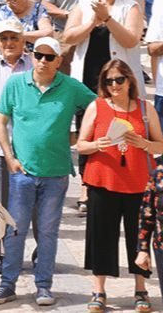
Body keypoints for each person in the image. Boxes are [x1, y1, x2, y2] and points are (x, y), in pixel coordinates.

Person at [0, 37, 97, 306]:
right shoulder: (15, 83)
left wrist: (78, 136)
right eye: (39, 55)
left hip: (56, 173)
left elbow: (97, 108)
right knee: (15, 229)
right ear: (32, 55)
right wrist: (9, 157)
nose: (43, 61)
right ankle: (7, 284)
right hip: (22, 172)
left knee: (48, 232)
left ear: (59, 61)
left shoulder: (71, 87)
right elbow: (1, 122)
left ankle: (43, 285)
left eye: (50, 57)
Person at [77, 59, 163, 313]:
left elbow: (160, 145)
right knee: (101, 236)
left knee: (139, 239)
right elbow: (81, 144)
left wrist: (142, 143)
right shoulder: (97, 106)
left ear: (129, 81)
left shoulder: (146, 109)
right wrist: (97, 145)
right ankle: (99, 290)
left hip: (139, 183)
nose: (114, 85)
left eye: (119, 79)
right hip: (103, 181)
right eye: (108, 81)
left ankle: (140, 288)